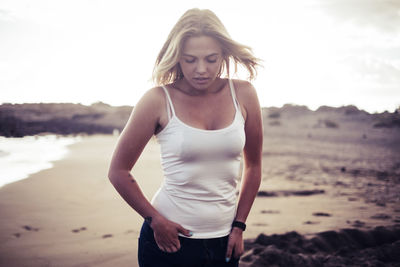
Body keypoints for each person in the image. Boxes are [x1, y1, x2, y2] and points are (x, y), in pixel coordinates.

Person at [108, 8, 262, 267]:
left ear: (224, 54)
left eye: (211, 59)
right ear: (177, 57)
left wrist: (239, 226)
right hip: (168, 240)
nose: (201, 69)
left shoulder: (244, 94)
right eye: (190, 60)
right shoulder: (157, 100)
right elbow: (118, 171)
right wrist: (155, 220)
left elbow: (254, 166)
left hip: (224, 240)